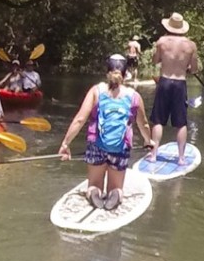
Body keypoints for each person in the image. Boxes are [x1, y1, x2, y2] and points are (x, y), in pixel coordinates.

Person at [58, 54, 153, 210]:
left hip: (96, 145)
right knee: (117, 187)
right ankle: (116, 194)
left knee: (94, 184)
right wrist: (148, 141)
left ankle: (94, 192)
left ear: (107, 72)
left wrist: (65, 144)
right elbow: (143, 124)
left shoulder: (96, 91)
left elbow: (80, 119)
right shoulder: (134, 96)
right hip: (120, 147)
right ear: (125, 74)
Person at [149, 12, 198, 166]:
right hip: (179, 83)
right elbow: (195, 69)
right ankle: (181, 158)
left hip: (164, 81)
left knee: (158, 120)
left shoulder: (162, 41)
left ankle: (153, 155)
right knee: (181, 122)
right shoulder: (191, 45)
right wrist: (187, 67)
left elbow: (155, 60)